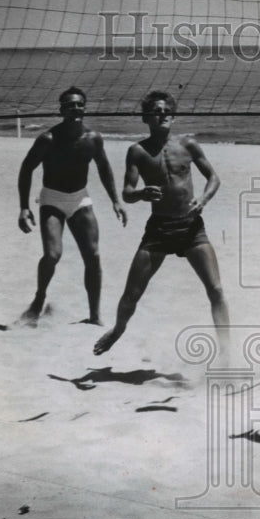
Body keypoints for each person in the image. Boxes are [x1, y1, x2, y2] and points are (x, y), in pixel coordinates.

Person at [93, 90, 230, 356]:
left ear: (173, 116)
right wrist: (141, 194)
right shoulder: (137, 151)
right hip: (159, 229)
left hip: (191, 228)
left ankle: (227, 350)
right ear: (146, 117)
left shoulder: (188, 144)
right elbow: (127, 193)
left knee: (215, 288)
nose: (163, 115)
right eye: (156, 111)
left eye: (167, 111)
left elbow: (214, 177)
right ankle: (118, 330)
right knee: (131, 294)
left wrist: (203, 199)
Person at [18, 87, 127, 327]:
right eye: (70, 105)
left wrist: (115, 201)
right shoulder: (47, 139)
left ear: (85, 108)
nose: (75, 109)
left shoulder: (93, 138)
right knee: (53, 255)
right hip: (52, 199)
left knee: (93, 256)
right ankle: (39, 297)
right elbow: (26, 169)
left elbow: (104, 169)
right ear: (61, 110)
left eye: (79, 105)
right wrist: (24, 207)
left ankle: (95, 315)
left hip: (80, 198)